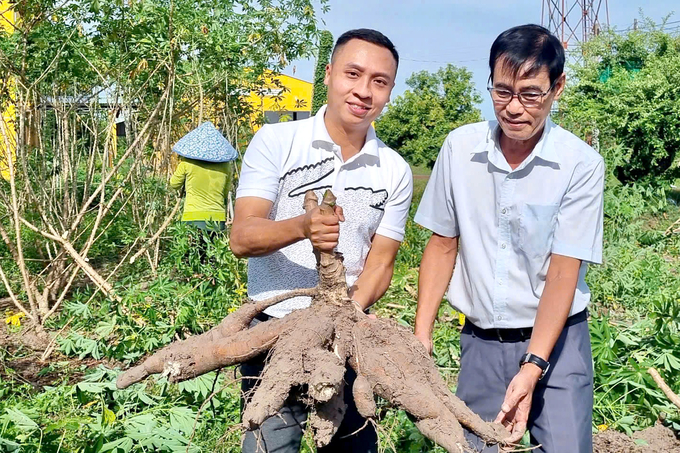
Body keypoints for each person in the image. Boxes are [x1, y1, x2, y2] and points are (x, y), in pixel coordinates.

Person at [413, 24, 604, 453]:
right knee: (475, 446)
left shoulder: (579, 164)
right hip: (481, 342)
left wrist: (533, 366)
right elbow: (443, 243)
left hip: (560, 343)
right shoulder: (460, 149)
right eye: (502, 91)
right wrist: (421, 331)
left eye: (530, 94)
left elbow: (563, 271)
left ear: (557, 88)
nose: (514, 107)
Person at [230, 29, 413, 453]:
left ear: (389, 91)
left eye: (379, 81)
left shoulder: (395, 170)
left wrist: (347, 313)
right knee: (268, 443)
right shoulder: (277, 141)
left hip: (348, 335)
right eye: (353, 73)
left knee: (352, 443)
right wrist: (302, 226)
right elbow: (242, 236)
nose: (364, 91)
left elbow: (381, 262)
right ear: (329, 75)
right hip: (273, 332)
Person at [170, 156, 232, 231]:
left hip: (193, 217)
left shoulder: (187, 161)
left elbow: (174, 184)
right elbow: (225, 193)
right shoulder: (226, 165)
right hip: (217, 218)